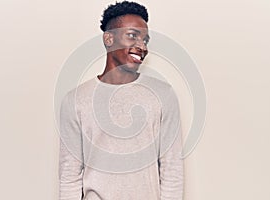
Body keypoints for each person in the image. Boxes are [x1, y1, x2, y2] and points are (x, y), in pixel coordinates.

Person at [59, 1, 184, 199]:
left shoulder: (163, 95)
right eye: (132, 36)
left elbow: (172, 169)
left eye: (145, 40)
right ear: (109, 39)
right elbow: (69, 175)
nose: (141, 46)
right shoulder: (75, 100)